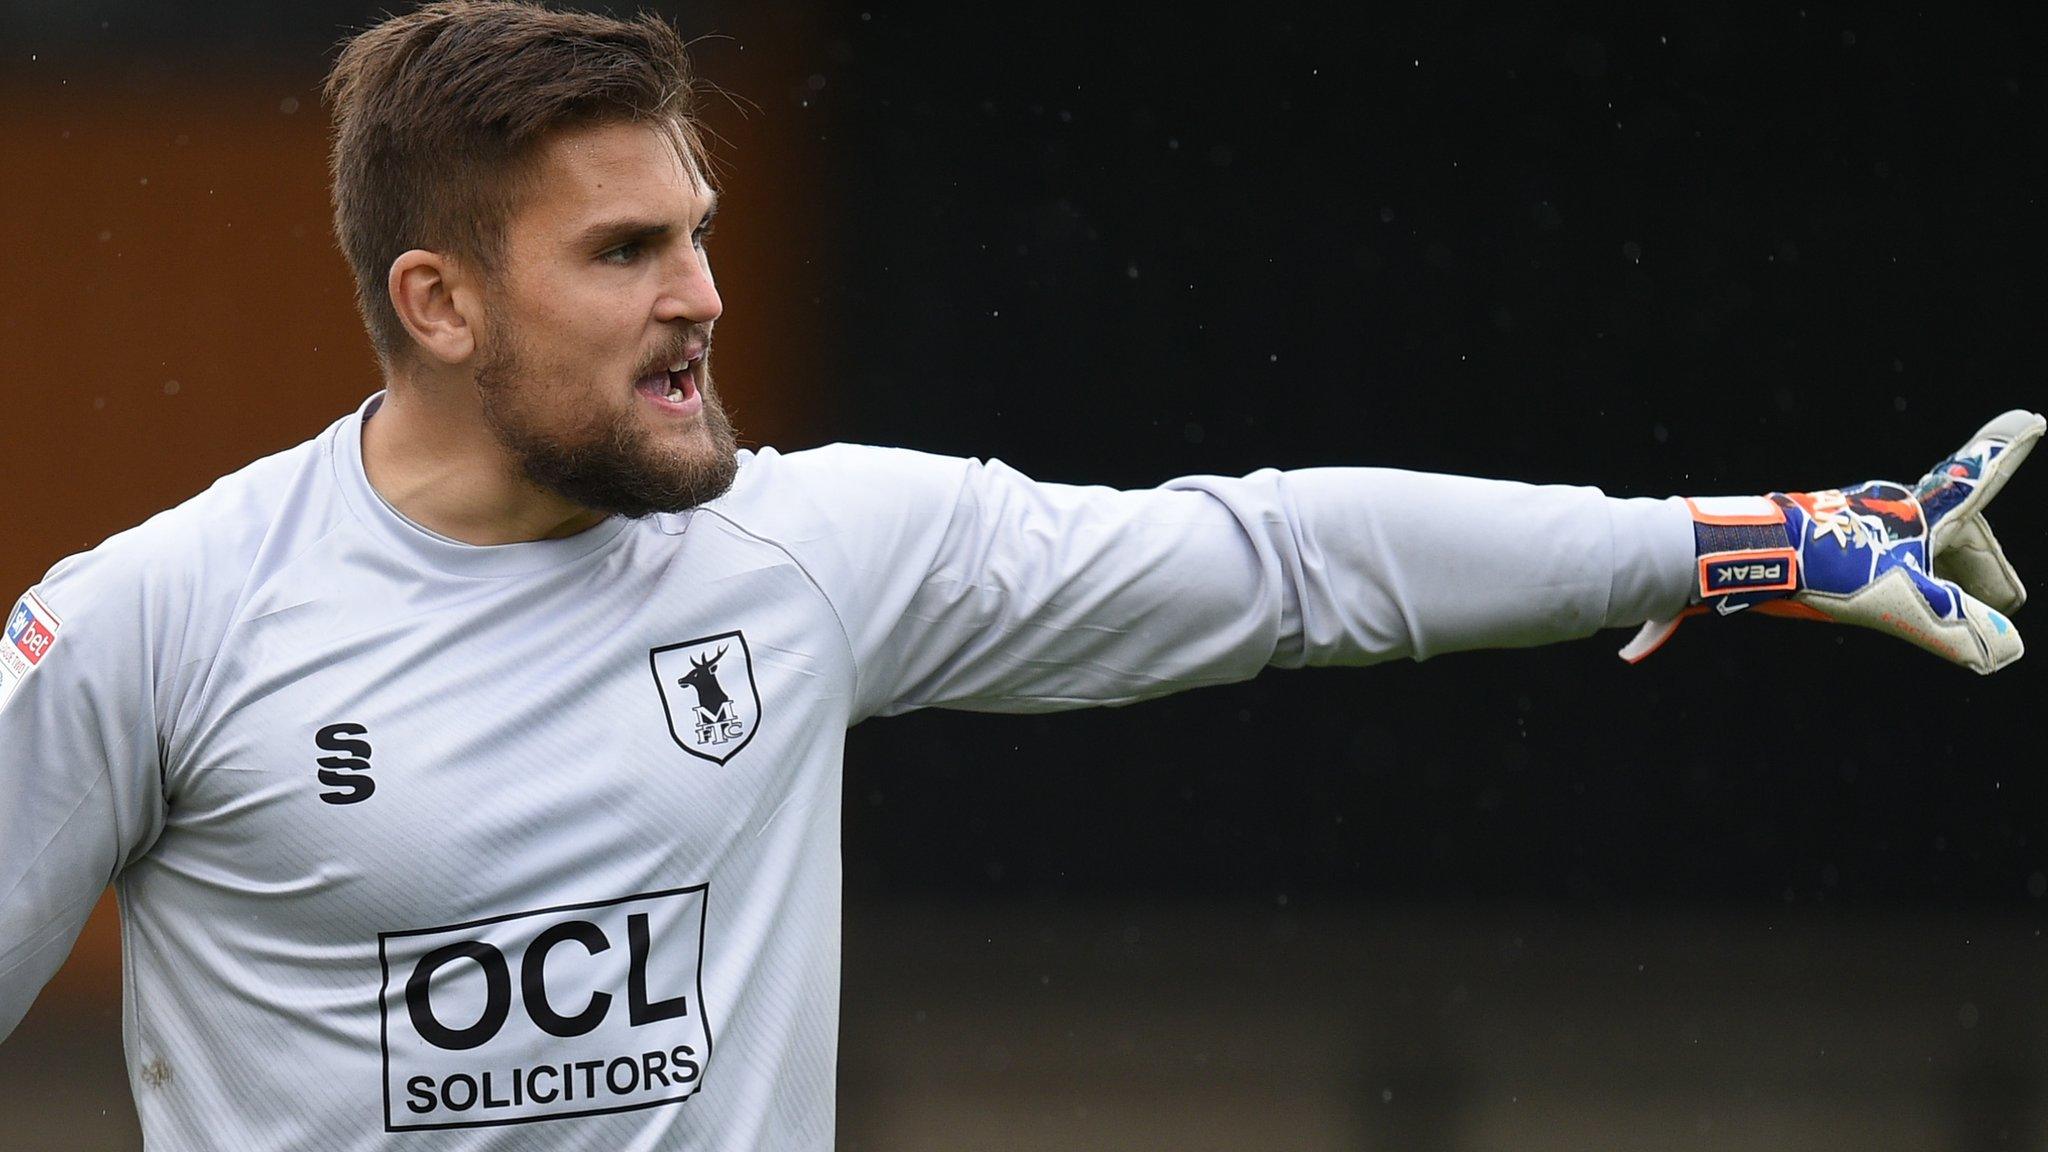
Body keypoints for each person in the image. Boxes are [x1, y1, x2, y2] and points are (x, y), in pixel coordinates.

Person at [0, 1, 2036, 1148]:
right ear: (434, 301)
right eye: (623, 253)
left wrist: (1729, 539)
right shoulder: (156, 624)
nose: (701, 296)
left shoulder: (807, 552)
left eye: (697, 233)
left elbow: (1281, 557)